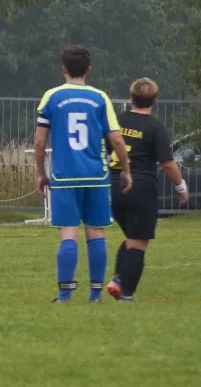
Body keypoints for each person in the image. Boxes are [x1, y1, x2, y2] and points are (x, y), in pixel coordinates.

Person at [34, 45, 133, 303]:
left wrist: (40, 173)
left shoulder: (52, 97)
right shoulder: (100, 98)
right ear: (88, 69)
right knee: (96, 232)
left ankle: (65, 294)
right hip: (96, 176)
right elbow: (116, 139)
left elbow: (39, 143)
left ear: (63, 68)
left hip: (65, 176)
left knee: (69, 233)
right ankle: (96, 294)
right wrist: (125, 169)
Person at [106, 78, 189, 302]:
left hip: (113, 186)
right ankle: (127, 295)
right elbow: (168, 164)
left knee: (131, 238)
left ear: (131, 98)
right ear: (155, 100)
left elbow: (105, 148)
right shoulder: (154, 127)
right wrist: (181, 186)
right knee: (138, 243)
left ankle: (118, 280)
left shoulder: (117, 120)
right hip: (140, 188)